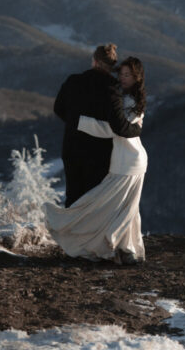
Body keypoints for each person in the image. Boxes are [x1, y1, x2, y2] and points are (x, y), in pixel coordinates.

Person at [44, 56, 148, 264]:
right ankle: (126, 249)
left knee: (104, 207)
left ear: (137, 78)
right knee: (124, 208)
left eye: (128, 75)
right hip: (131, 159)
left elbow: (113, 130)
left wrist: (80, 122)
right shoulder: (132, 99)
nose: (124, 78)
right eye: (122, 73)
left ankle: (117, 247)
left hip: (126, 161)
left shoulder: (125, 100)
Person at [53, 43, 124, 207]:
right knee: (95, 198)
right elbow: (116, 120)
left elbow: (58, 108)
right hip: (100, 151)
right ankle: (92, 232)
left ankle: (70, 230)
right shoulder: (114, 88)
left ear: (94, 61)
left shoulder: (73, 81)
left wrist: (75, 123)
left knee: (73, 196)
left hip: (72, 145)